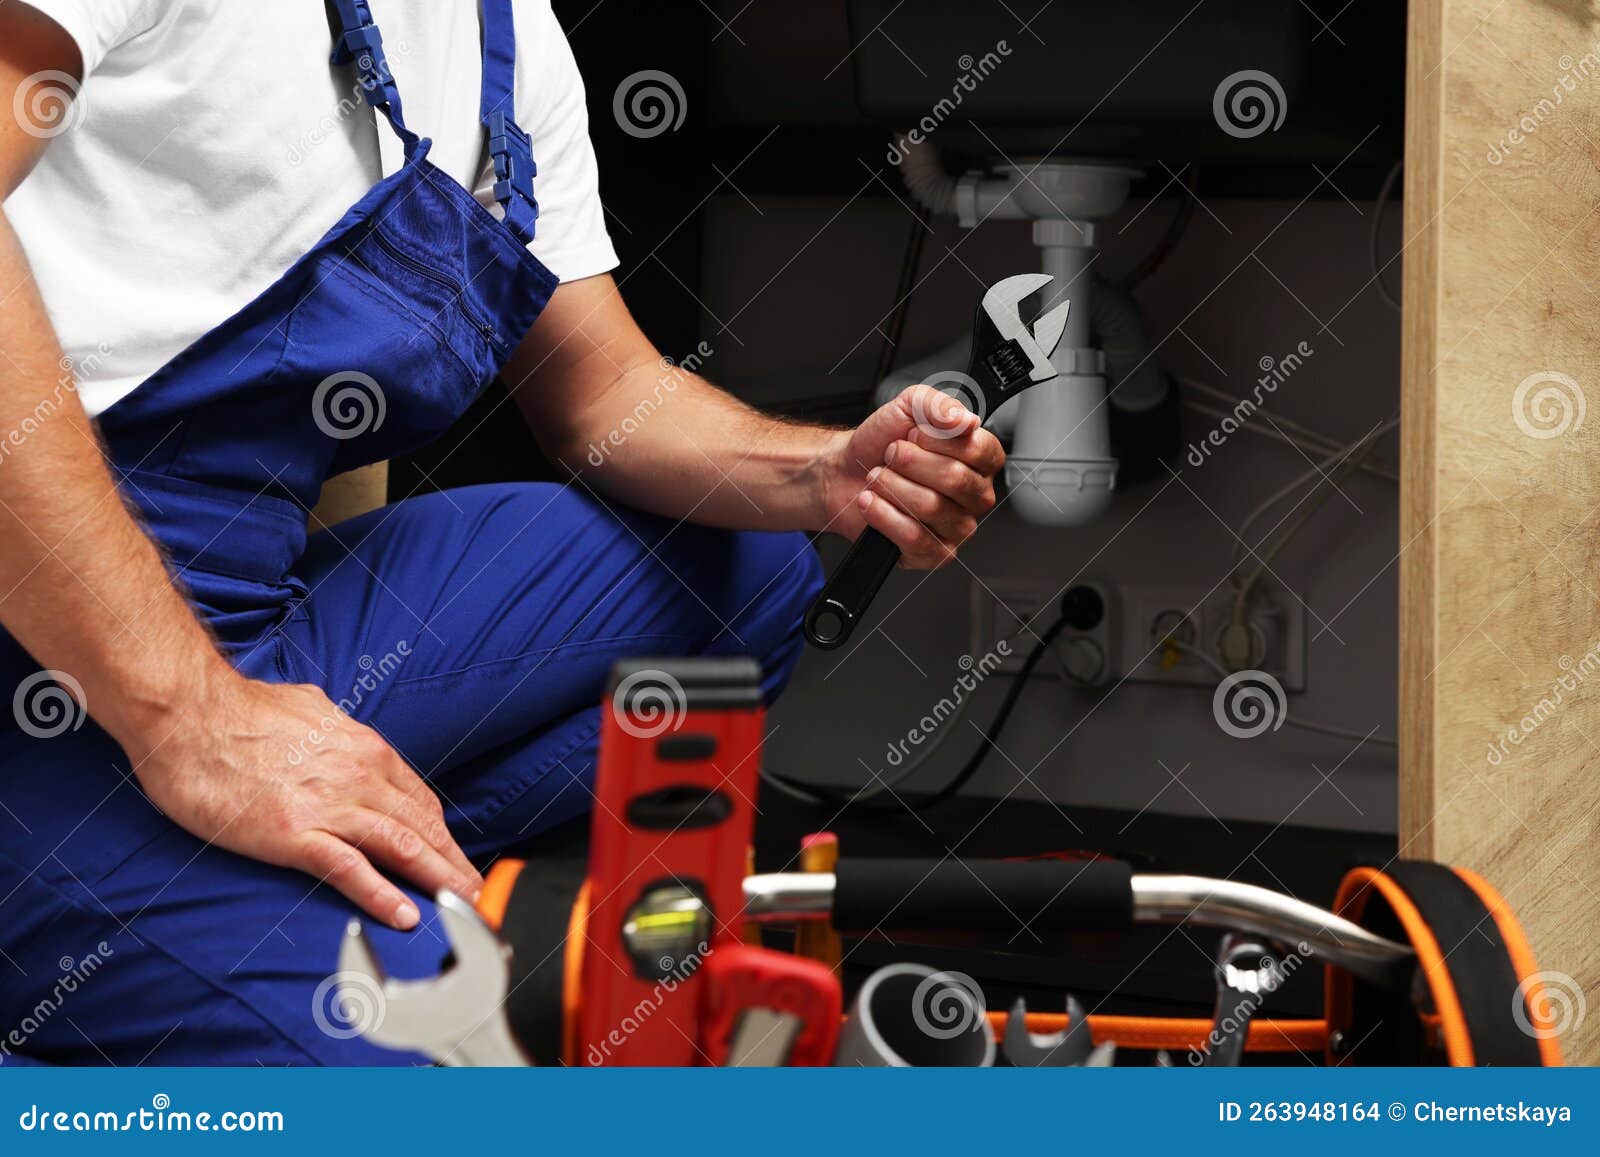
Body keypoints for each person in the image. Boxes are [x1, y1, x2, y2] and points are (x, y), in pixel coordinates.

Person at [0, 1, 1003, 1064]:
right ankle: (129, 909)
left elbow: (604, 392)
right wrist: (187, 718)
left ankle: (289, 882)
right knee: (415, 1054)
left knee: (739, 577)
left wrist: (823, 473)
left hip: (249, 613)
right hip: (53, 644)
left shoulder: (505, 41)